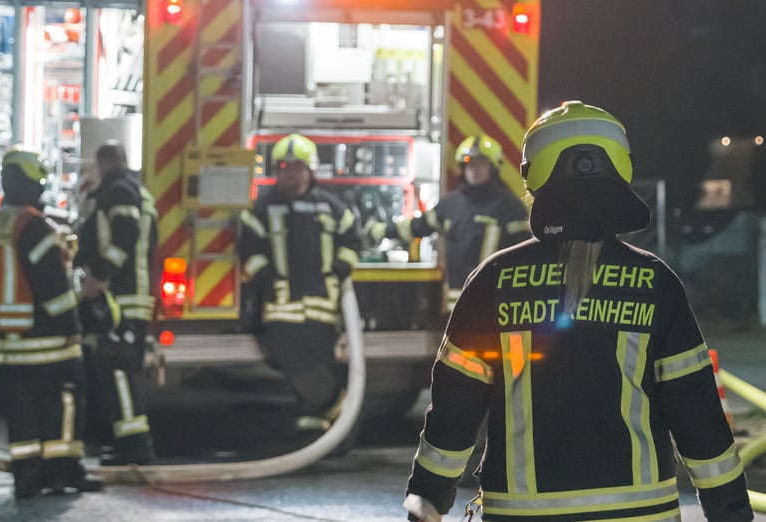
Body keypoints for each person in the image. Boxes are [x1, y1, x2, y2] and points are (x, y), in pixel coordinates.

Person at [403, 101, 753, 522]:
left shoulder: (492, 282)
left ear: (532, 174)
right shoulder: (656, 282)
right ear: (622, 167)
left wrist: (427, 498)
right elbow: (696, 410)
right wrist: (730, 509)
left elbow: (455, 406)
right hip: (641, 514)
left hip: (525, 514)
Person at [0, 146, 103, 498]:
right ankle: (62, 472)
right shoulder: (34, 227)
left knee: (21, 411)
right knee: (63, 403)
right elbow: (52, 286)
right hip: (46, 339)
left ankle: (27, 476)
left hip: (6, 340)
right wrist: (72, 323)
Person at [238, 133, 362, 441]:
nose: (290, 174)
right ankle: (335, 406)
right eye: (284, 167)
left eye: (296, 168)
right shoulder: (262, 209)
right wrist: (266, 279)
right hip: (280, 306)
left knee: (324, 363)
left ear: (310, 170)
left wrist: (340, 267)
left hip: (322, 306)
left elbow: (353, 239)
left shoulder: (331, 207)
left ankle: (316, 430)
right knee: (294, 360)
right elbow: (249, 249)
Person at [367, 134, 530, 313]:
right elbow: (419, 226)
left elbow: (524, 254)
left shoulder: (510, 207)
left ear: (493, 167)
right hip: (457, 302)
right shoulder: (451, 205)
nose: (474, 170)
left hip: (496, 302)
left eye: (481, 164)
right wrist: (384, 230)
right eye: (469, 164)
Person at [74, 141, 157, 466]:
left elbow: (124, 236)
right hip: (127, 296)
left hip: (122, 297)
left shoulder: (119, 191)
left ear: (104, 163)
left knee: (118, 369)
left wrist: (100, 276)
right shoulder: (134, 189)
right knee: (113, 368)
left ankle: (134, 447)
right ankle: (124, 442)